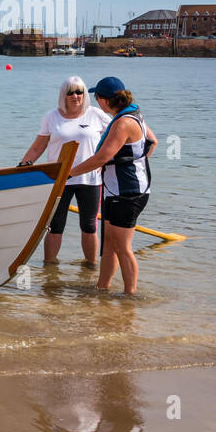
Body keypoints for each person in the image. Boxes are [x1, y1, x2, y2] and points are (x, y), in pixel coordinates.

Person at [66, 77, 157, 295]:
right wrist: (129, 161)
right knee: (109, 246)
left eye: (97, 98)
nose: (97, 102)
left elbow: (101, 157)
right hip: (115, 191)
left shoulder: (124, 123)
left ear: (104, 100)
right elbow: (152, 142)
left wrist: (68, 174)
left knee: (122, 248)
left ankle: (130, 295)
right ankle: (102, 289)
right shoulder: (132, 116)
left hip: (129, 193)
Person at [17, 76, 111, 267]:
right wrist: (22, 167)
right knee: (54, 227)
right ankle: (49, 268)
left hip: (90, 179)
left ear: (85, 94)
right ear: (63, 95)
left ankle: (91, 267)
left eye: (79, 92)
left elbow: (116, 139)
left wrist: (112, 161)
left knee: (89, 226)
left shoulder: (96, 115)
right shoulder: (51, 117)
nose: (75, 96)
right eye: (70, 92)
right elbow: (37, 147)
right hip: (60, 180)